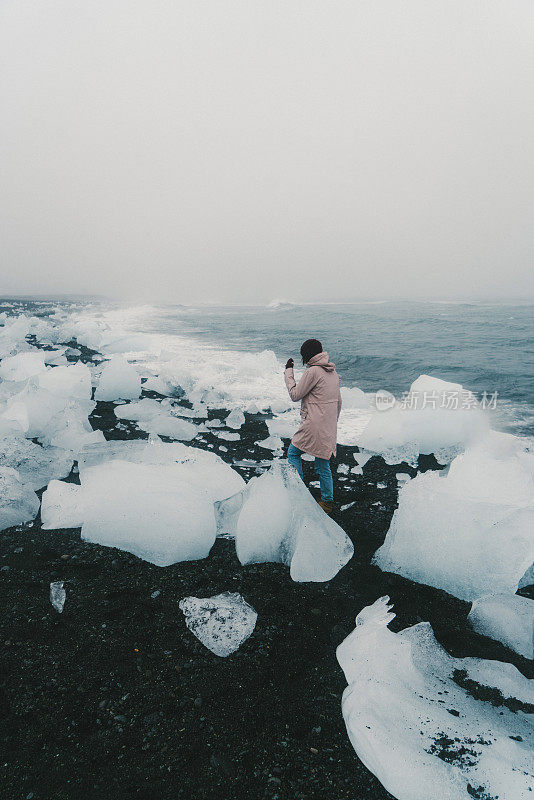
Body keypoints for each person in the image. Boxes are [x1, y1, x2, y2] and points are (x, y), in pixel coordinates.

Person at [284, 338, 342, 513]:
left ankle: (298, 493)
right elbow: (339, 402)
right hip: (328, 425)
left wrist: (288, 372)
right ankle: (327, 502)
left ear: (307, 355)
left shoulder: (313, 372)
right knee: (322, 464)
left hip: (314, 425)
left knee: (293, 453)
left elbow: (295, 394)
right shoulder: (333, 372)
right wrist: (332, 422)